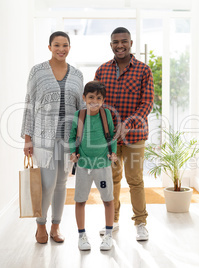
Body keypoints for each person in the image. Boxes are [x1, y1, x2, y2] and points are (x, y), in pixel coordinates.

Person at [21, 31, 84, 244]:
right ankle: (41, 225)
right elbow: (29, 104)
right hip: (42, 138)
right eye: (57, 45)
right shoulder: (37, 71)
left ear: (69, 47)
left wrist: (81, 140)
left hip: (67, 140)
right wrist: (27, 138)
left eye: (65, 45)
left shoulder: (77, 74)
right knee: (47, 184)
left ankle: (56, 226)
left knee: (62, 183)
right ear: (49, 47)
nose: (61, 49)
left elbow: (80, 108)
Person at [94, 27, 154, 241]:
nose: (120, 45)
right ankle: (113, 220)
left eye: (124, 41)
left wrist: (128, 123)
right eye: (116, 42)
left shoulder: (143, 70)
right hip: (108, 137)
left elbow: (147, 102)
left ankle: (140, 223)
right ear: (111, 45)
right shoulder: (102, 71)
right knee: (111, 178)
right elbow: (96, 102)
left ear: (130, 43)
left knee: (135, 179)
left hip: (135, 134)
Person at [69, 81, 118, 251]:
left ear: (103, 100)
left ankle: (108, 235)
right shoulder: (79, 115)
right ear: (84, 98)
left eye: (98, 98)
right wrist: (72, 152)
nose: (94, 101)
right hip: (83, 166)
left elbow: (112, 136)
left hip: (103, 165)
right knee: (80, 200)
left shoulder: (106, 115)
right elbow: (72, 137)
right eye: (91, 97)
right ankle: (82, 235)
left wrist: (113, 152)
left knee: (108, 200)